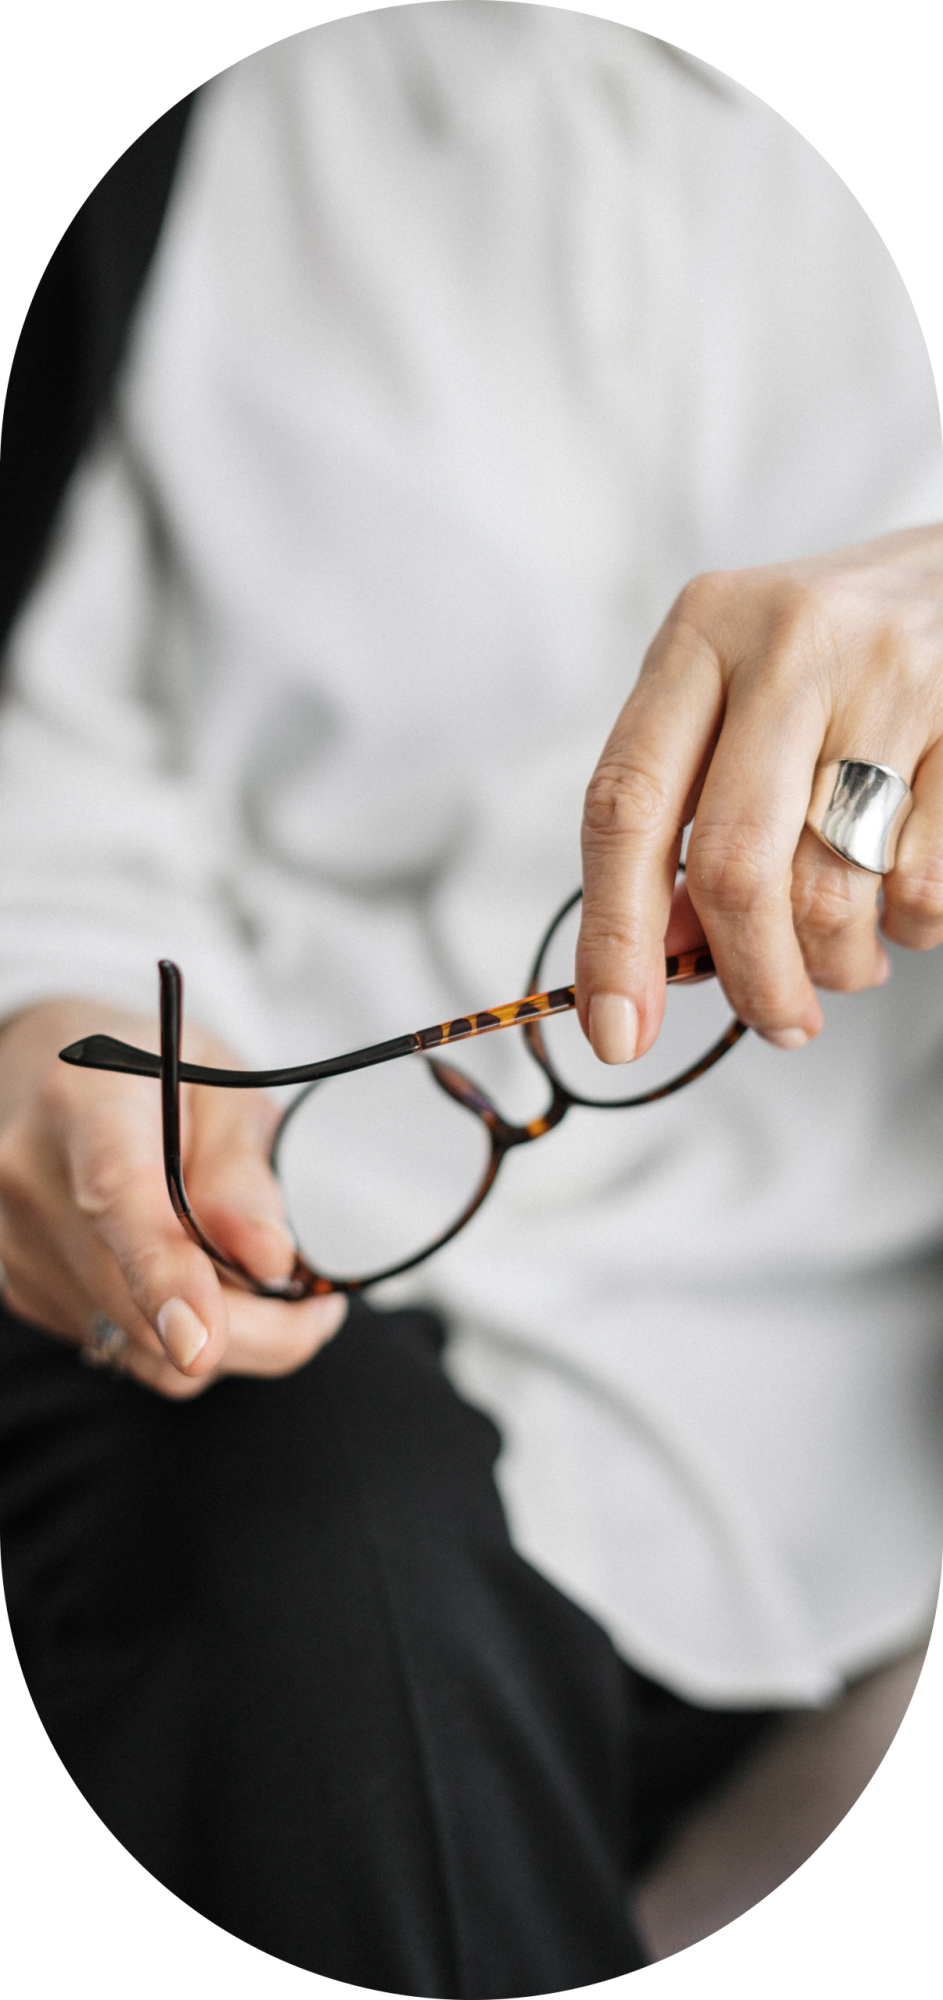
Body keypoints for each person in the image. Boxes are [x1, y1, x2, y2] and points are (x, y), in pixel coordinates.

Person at [0, 8, 941, 1989]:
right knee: (319, 1581)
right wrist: (43, 1025)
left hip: (858, 1386)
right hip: (298, 1308)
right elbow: (62, 763)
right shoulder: (211, 161)